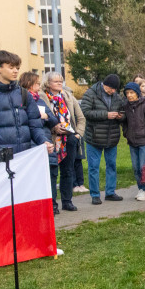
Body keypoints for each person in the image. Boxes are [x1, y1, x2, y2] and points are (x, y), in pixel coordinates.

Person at [0, 51, 52, 163]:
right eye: (11, 67)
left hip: (24, 158)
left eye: (17, 68)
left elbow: (35, 125)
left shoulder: (24, 94)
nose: (16, 71)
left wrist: (43, 141)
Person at [80, 73, 126, 205]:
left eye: (115, 89)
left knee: (111, 165)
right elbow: (85, 111)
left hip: (111, 137)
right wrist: (106, 115)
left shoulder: (116, 97)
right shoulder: (91, 93)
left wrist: (120, 117)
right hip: (94, 137)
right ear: (106, 85)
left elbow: (123, 113)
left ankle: (110, 192)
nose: (114, 91)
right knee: (93, 167)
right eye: (112, 89)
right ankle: (95, 195)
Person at [19, 72, 62, 213]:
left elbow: (54, 119)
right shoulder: (20, 100)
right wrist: (40, 117)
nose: (39, 86)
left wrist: (46, 117)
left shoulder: (40, 100)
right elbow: (23, 121)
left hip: (46, 141)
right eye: (37, 83)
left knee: (51, 173)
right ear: (29, 84)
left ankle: (52, 205)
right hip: (31, 144)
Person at [42, 71, 85, 213]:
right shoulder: (42, 97)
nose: (60, 83)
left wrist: (78, 134)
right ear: (48, 83)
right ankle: (53, 204)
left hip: (70, 139)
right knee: (52, 173)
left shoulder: (68, 97)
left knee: (68, 171)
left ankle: (67, 201)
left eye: (61, 81)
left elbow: (81, 118)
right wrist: (54, 127)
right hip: (52, 140)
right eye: (56, 81)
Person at [121, 81, 145, 202]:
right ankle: (141, 188)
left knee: (144, 167)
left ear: (137, 93)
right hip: (132, 142)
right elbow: (124, 122)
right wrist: (126, 133)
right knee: (136, 167)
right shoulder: (126, 106)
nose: (129, 95)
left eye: (132, 92)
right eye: (127, 93)